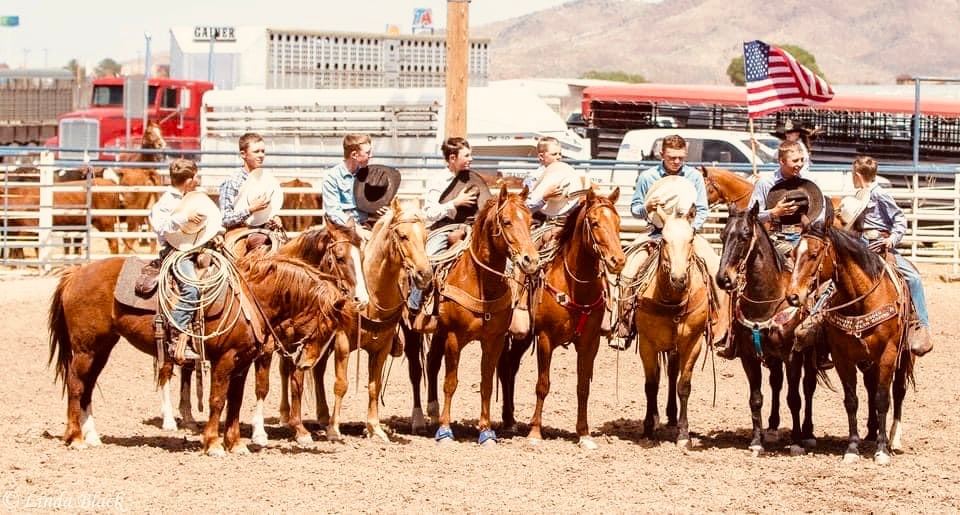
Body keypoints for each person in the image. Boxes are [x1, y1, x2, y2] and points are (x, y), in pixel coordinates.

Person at [612, 134, 729, 352]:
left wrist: (688, 230)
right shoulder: (648, 177)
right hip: (657, 233)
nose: (676, 162)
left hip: (687, 235)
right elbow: (635, 209)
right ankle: (623, 323)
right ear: (662, 155)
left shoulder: (693, 177)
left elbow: (702, 209)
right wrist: (647, 206)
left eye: (680, 158)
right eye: (672, 157)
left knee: (715, 269)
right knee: (628, 270)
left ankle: (718, 325)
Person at [847, 155, 933, 356]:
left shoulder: (880, 195)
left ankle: (922, 324)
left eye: (853, 174)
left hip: (878, 245)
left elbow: (900, 220)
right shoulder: (858, 196)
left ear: (858, 175)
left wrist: (890, 240)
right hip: (859, 246)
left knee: (913, 277)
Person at [407, 137, 483, 331]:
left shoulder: (472, 178)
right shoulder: (438, 180)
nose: (471, 159)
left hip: (470, 226)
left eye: (470, 154)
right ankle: (415, 303)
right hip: (444, 227)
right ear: (452, 158)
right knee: (429, 260)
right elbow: (430, 212)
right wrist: (455, 203)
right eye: (466, 155)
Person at [149, 158, 221, 363]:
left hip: (199, 246)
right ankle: (175, 331)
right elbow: (161, 227)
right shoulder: (165, 202)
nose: (198, 179)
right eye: (195, 176)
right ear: (189, 180)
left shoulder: (194, 197)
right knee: (191, 287)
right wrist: (184, 217)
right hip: (175, 251)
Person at [319, 133, 387, 305]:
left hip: (365, 224)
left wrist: (377, 211)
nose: (371, 155)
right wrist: (356, 229)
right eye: (368, 152)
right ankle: (358, 295)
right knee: (354, 254)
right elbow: (334, 212)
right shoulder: (332, 177)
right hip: (341, 230)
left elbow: (370, 202)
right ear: (354, 155)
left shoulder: (367, 175)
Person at [219, 132, 284, 251]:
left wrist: (273, 218)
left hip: (262, 230)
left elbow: (265, 213)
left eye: (263, 151)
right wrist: (250, 209)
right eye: (256, 151)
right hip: (238, 232)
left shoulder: (265, 179)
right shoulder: (232, 181)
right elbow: (225, 219)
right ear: (243, 154)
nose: (261, 155)